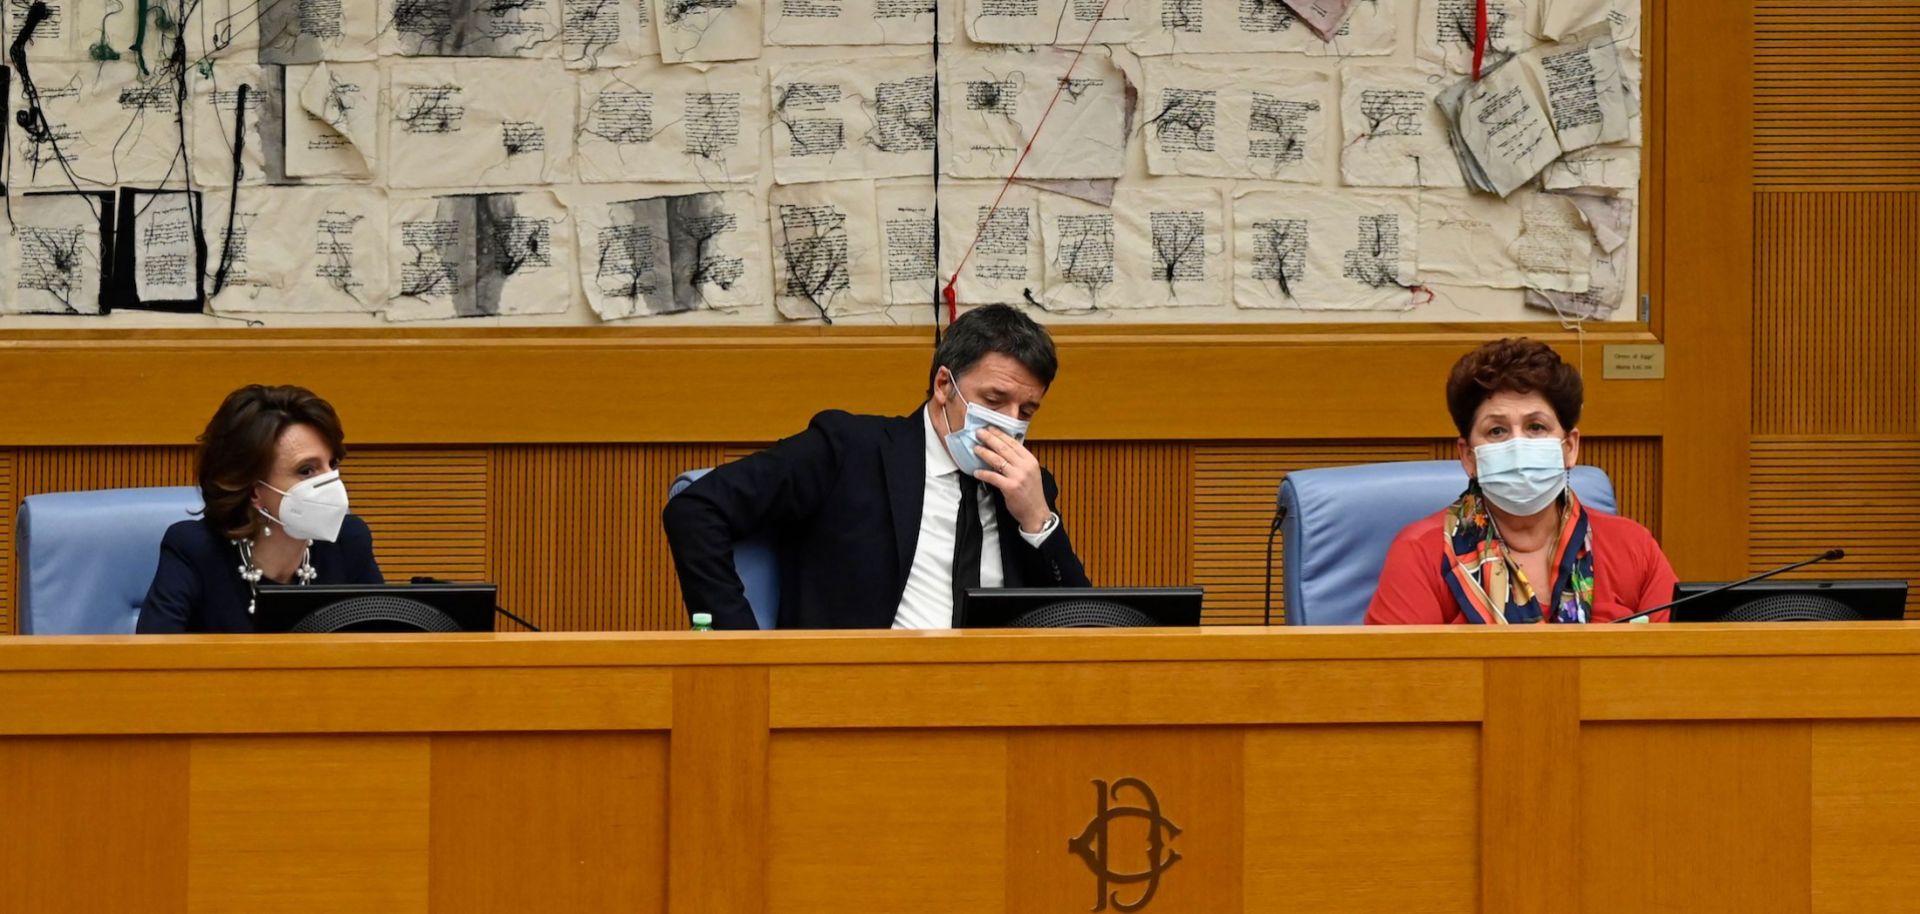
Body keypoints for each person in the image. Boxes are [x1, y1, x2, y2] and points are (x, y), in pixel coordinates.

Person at [664, 304, 1091, 629]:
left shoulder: (1028, 488)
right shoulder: (850, 450)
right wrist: (743, 648)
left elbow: (1084, 624)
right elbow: (696, 510)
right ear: (944, 385)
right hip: (858, 701)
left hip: (994, 707)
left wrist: (1038, 520)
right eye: (995, 401)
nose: (1010, 421)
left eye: (1027, 410)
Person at [1366, 338, 1676, 624]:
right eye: (1497, 431)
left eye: (1536, 427)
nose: (1517, 444)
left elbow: (1680, 667)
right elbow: (1396, 680)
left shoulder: (1634, 548)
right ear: (1469, 457)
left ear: (1569, 448)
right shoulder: (1422, 555)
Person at [137, 385, 382, 633]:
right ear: (254, 490)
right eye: (306, 470)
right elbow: (150, 663)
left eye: (332, 464)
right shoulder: (195, 550)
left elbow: (389, 652)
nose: (331, 482)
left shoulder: (348, 542)